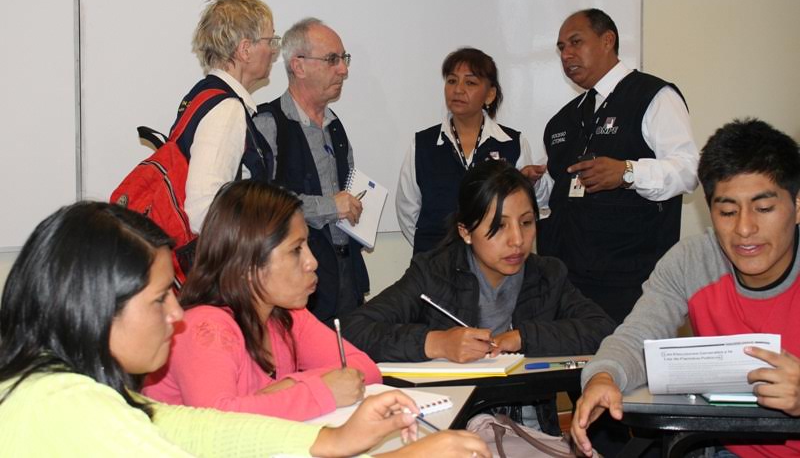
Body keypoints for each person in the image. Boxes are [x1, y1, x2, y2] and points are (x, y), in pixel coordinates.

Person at [0, 201, 491, 458]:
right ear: (95, 308)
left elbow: (201, 428)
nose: (175, 314)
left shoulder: (70, 388)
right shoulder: (59, 404)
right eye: (158, 299)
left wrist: (336, 443)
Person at [571, 118, 800, 458]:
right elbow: (638, 336)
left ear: (797, 206)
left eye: (764, 208)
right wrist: (603, 376)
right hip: (725, 449)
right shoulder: (691, 263)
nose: (745, 228)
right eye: (726, 211)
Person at [143, 180, 381, 421]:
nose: (312, 262)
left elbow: (365, 369)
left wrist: (284, 388)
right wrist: (321, 390)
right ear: (248, 263)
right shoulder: (206, 326)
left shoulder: (286, 316)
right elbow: (217, 422)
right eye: (296, 249)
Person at [342, 159, 614, 363]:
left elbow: (602, 329)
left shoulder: (546, 275)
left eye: (527, 223)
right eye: (499, 226)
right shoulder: (433, 273)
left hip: (530, 424)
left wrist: (522, 338)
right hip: (456, 422)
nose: (518, 240)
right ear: (466, 232)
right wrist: (436, 343)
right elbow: (354, 330)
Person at [529, 8, 699, 324]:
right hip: (567, 285)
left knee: (624, 371)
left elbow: (688, 170)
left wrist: (627, 173)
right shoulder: (562, 120)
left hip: (630, 283)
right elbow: (559, 189)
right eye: (561, 48)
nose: (566, 54)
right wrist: (534, 184)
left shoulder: (654, 96)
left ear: (608, 40)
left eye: (575, 42)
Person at [254, 18, 367, 325]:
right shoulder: (269, 123)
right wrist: (333, 206)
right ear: (298, 66)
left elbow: (348, 189)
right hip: (299, 280)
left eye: (344, 60)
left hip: (346, 274)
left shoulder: (336, 125)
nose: (343, 70)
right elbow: (264, 204)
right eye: (333, 60)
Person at [396, 47, 539, 255]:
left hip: (494, 263)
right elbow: (407, 211)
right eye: (452, 81)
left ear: (490, 94)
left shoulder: (512, 143)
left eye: (470, 82)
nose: (458, 89)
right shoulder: (423, 143)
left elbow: (526, 210)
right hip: (435, 264)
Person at [179, 0, 277, 234]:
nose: (274, 50)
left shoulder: (202, 95)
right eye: (270, 40)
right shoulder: (227, 109)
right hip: (227, 265)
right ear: (245, 49)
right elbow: (203, 212)